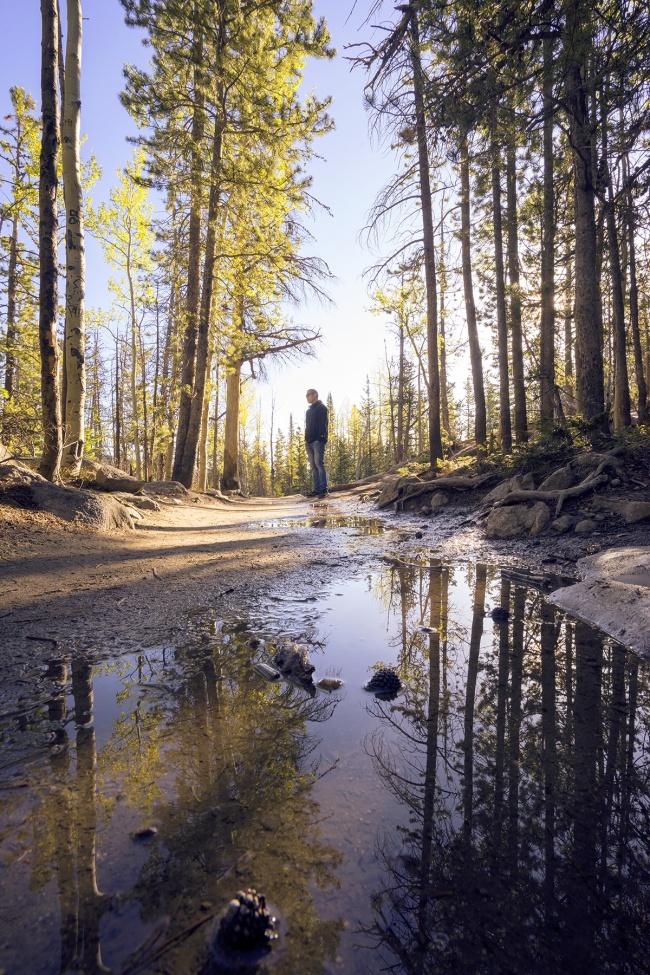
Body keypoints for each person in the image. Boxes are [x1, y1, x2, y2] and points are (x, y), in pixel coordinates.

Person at [304, 388, 328, 499]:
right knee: (313, 466)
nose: (307, 397)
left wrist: (320, 438)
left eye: (309, 394)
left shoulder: (322, 408)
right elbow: (308, 426)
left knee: (319, 463)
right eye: (306, 395)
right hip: (309, 442)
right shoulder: (309, 411)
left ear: (315, 395)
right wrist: (306, 439)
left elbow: (323, 424)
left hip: (318, 441)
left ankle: (324, 489)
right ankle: (317, 489)